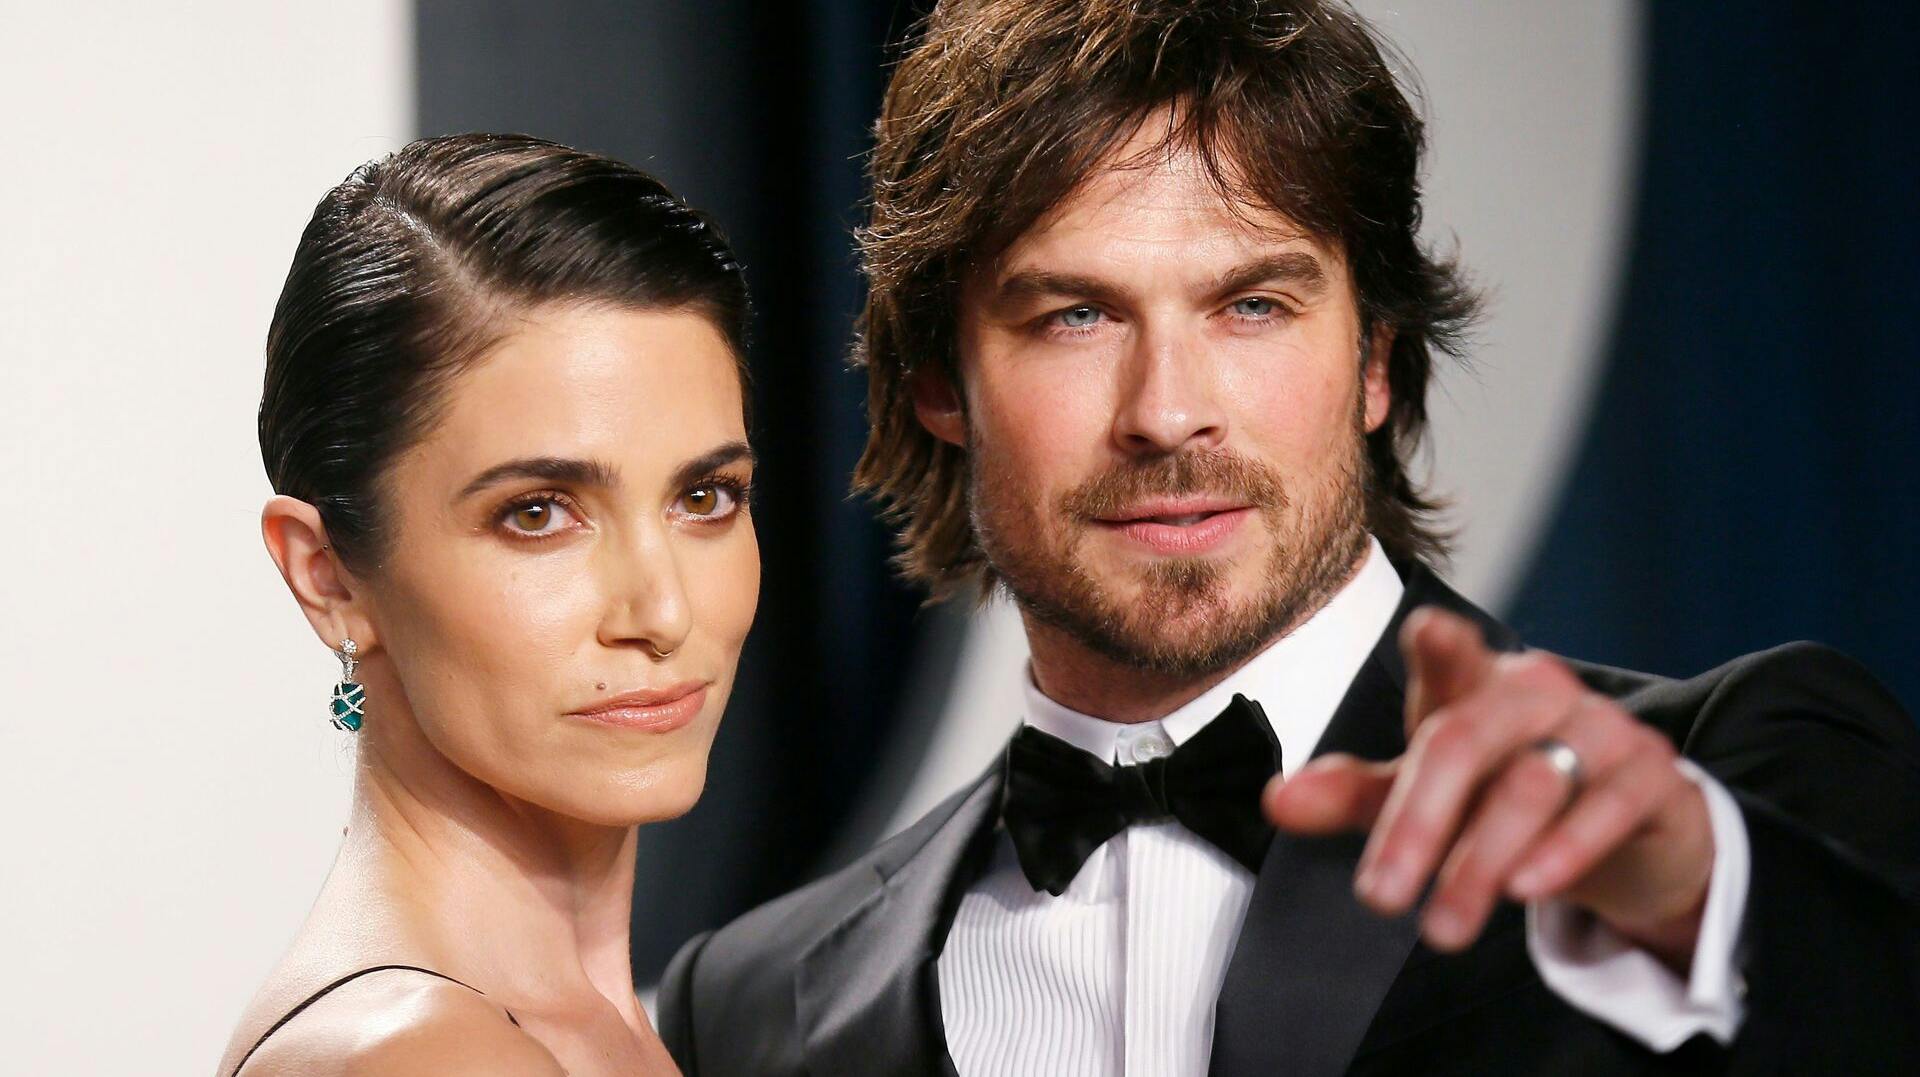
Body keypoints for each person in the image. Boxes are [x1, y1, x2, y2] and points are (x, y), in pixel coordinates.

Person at [656, 1, 1920, 1073]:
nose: (1167, 413)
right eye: (1074, 318)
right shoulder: (751, 1009)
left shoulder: (1739, 784)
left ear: (1375, 357)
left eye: (1251, 306)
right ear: (939, 382)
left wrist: (1702, 891)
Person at [218, 134, 758, 1076]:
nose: (662, 610)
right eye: (539, 513)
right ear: (328, 575)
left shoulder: (581, 1029)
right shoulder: (425, 1055)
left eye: (703, 497)